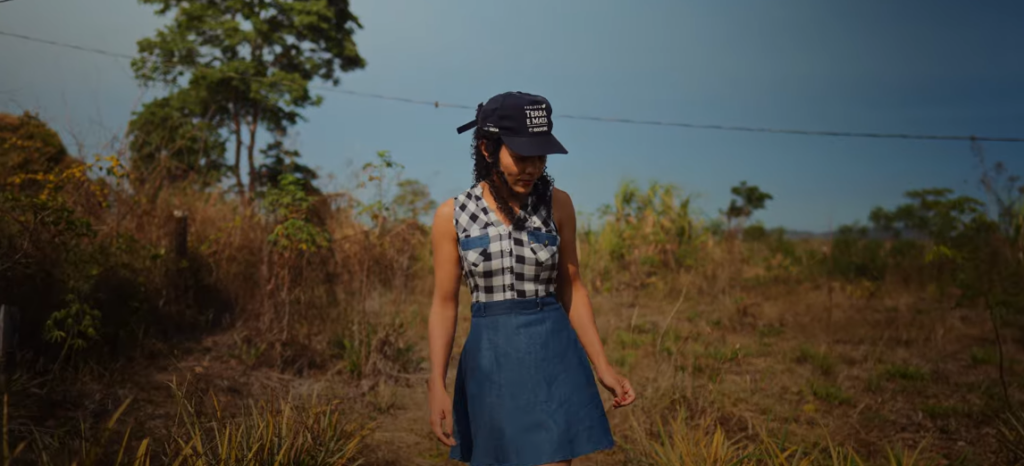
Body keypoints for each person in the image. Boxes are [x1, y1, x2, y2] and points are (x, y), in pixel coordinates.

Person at [427, 91, 636, 466]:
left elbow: (572, 288)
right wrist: (437, 383)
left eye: (540, 157)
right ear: (487, 149)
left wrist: (603, 366)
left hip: (553, 356)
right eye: (521, 157)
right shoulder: (452, 215)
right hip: (490, 361)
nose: (532, 168)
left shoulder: (559, 205)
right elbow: (444, 304)